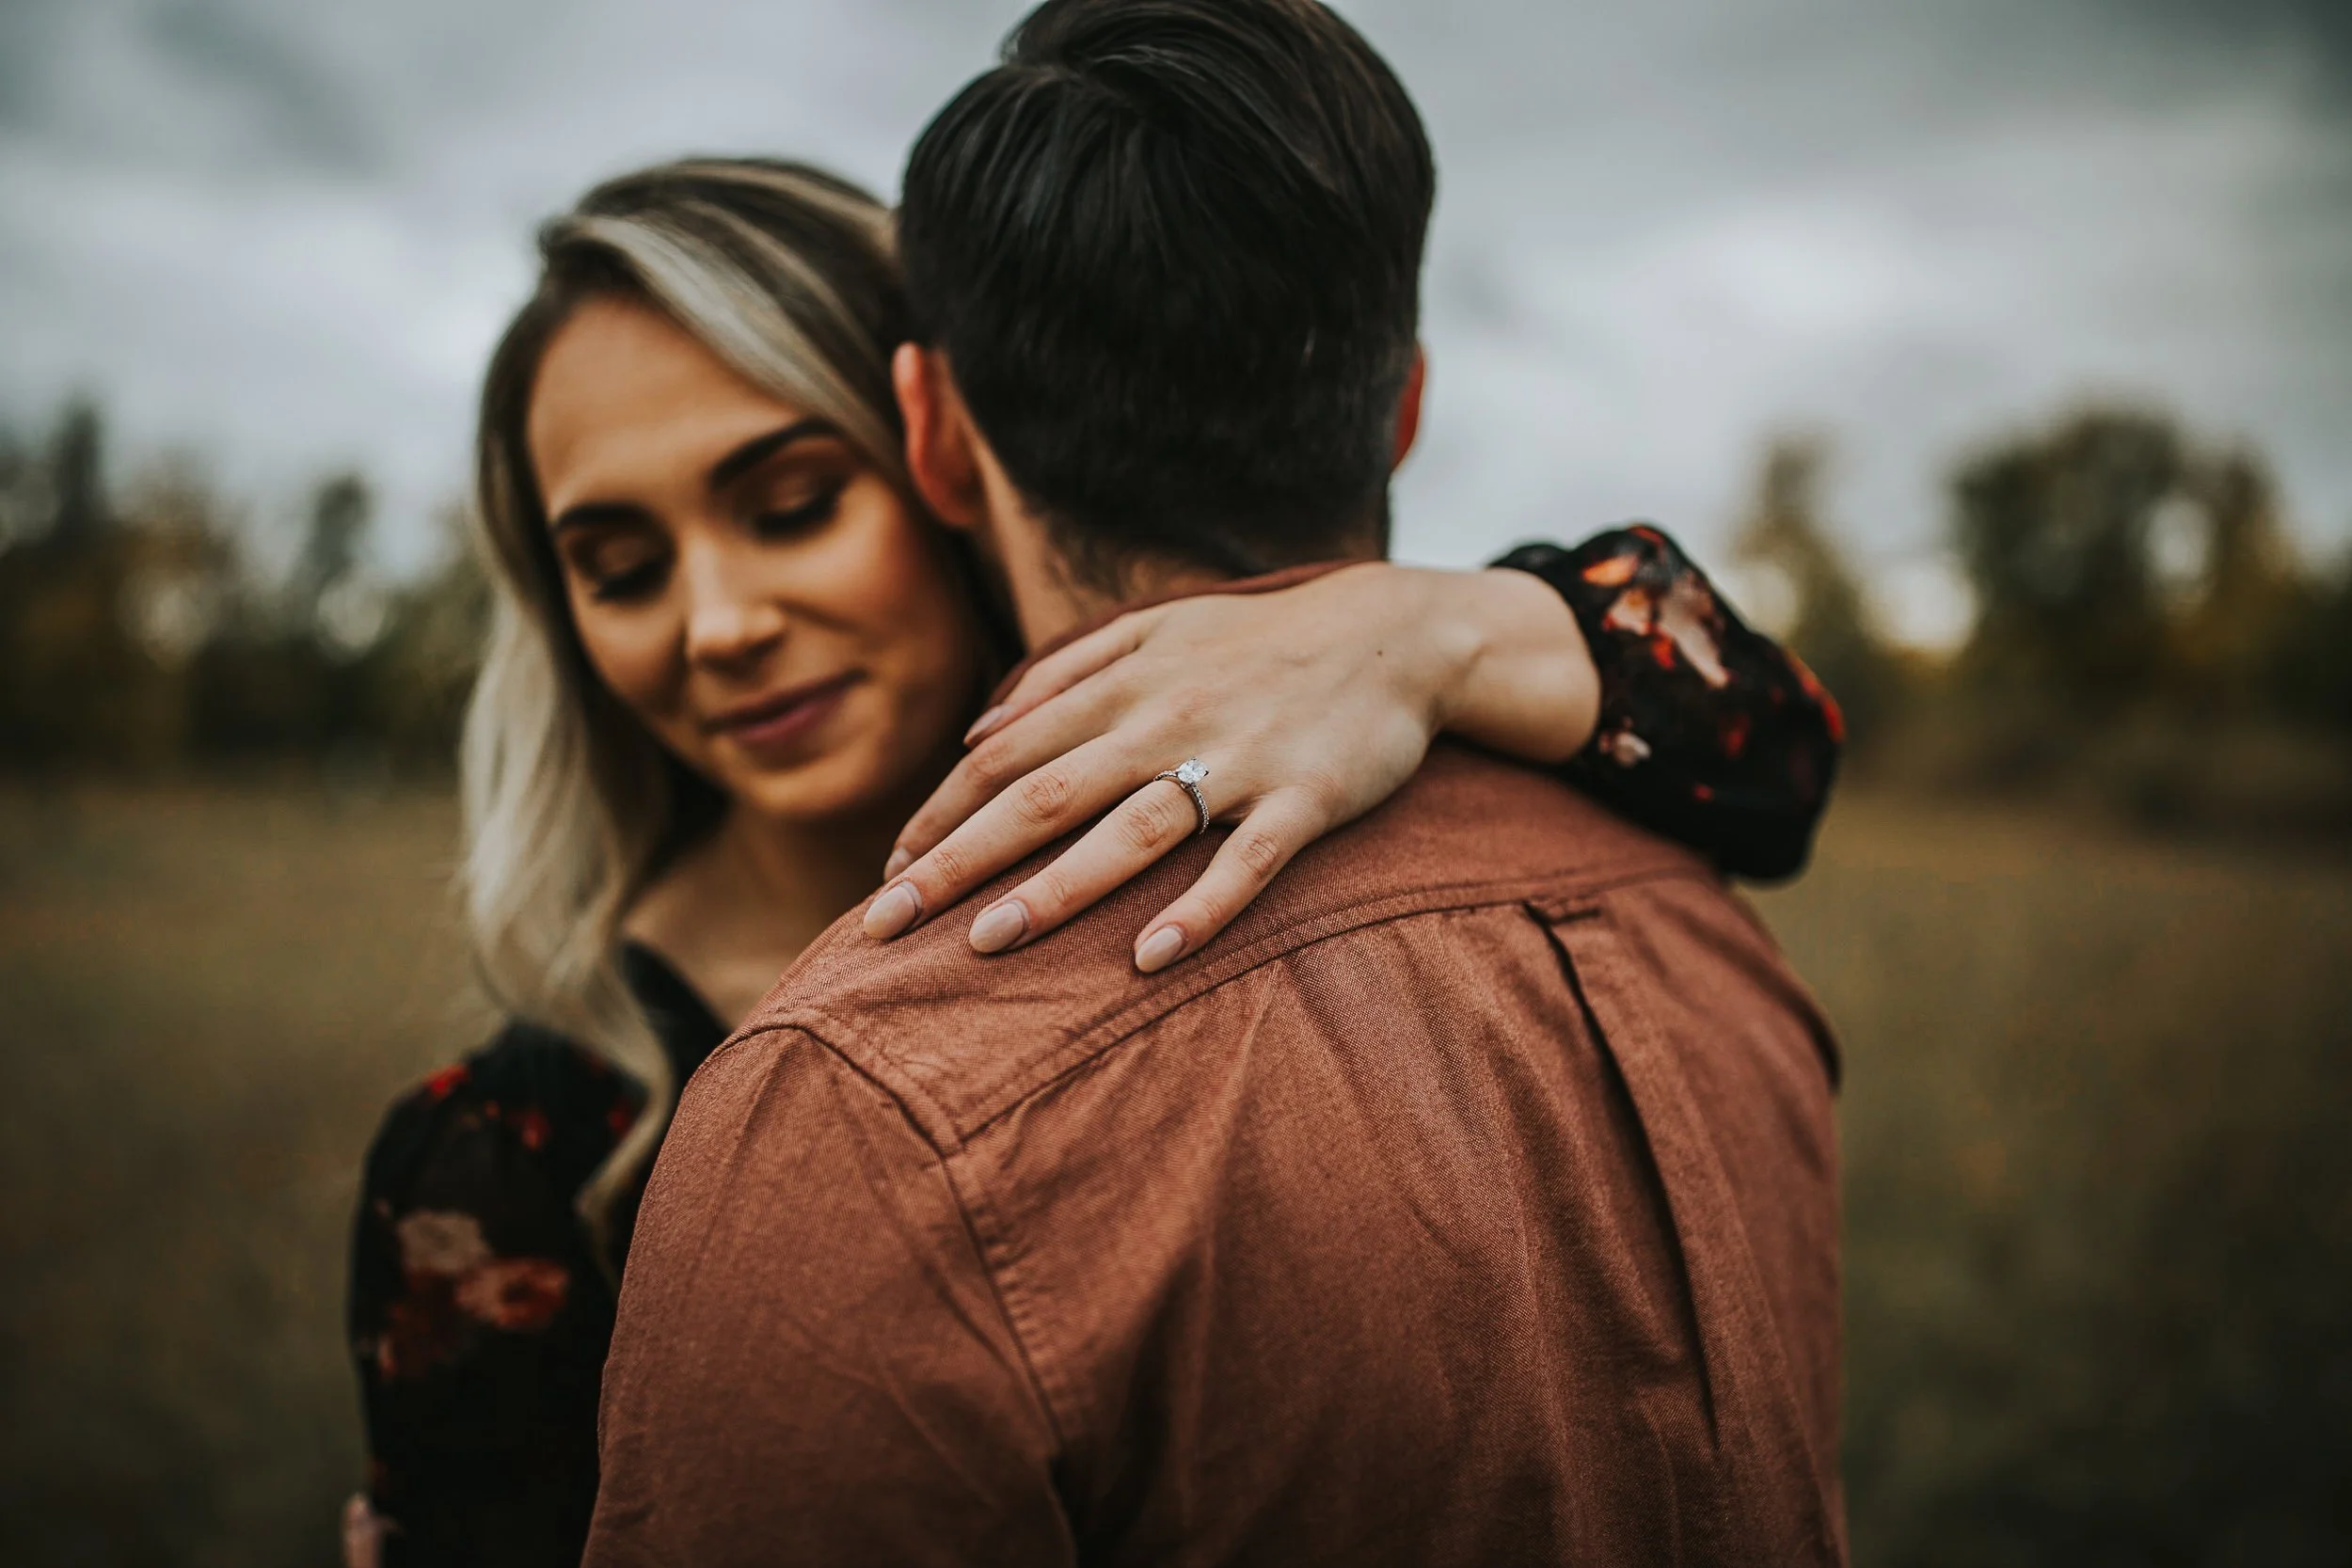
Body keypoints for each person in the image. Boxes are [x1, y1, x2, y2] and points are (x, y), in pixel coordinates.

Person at [349, 150, 1838, 1568]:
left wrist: (1432, 633)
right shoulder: (504, 1159)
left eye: (791, 505)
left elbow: (1774, 754)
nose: (718, 621)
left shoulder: (1297, 782)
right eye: (619, 567)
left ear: (947, 446)